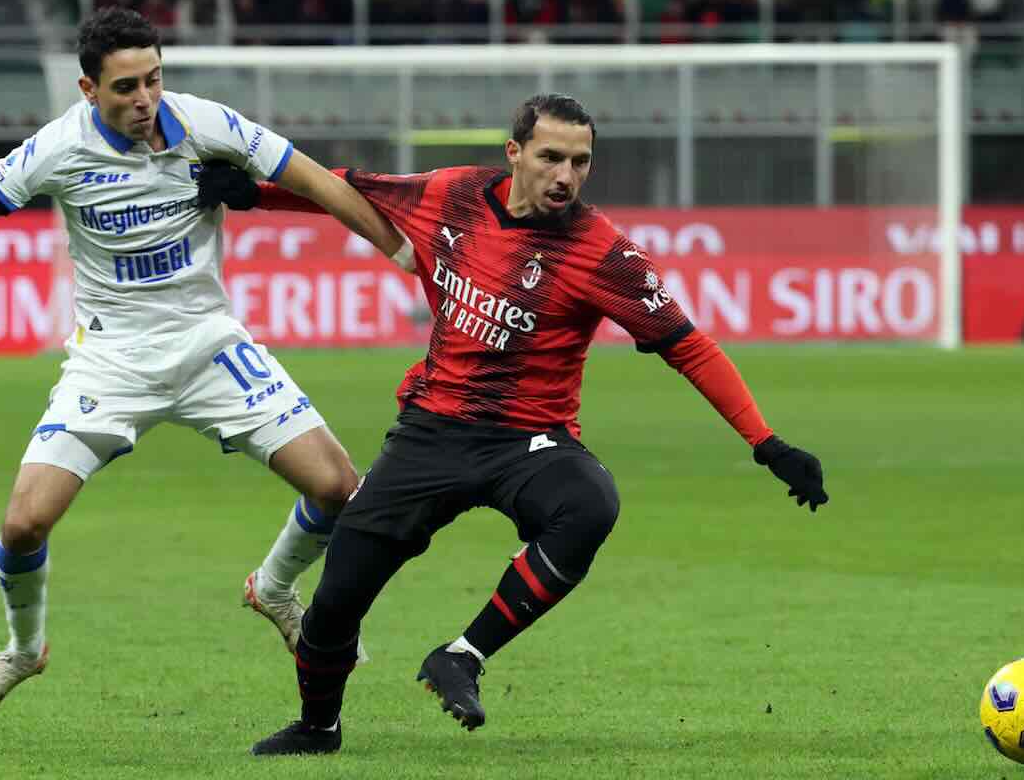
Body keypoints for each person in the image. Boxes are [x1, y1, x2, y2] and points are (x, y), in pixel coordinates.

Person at [195, 92, 830, 756]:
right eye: (551, 157)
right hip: (431, 432)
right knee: (334, 606)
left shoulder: (602, 253)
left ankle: (463, 657)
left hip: (529, 442)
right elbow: (351, 193)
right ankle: (318, 727)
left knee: (589, 504)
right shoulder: (455, 196)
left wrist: (766, 442)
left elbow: (687, 344)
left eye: (580, 162)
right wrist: (257, 195)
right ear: (515, 153)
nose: (566, 176)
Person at [0, 7, 408, 723]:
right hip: (110, 363)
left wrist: (404, 257)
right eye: (126, 87)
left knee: (340, 486)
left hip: (210, 346)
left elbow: (319, 183)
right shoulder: (57, 149)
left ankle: (274, 587)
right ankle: (24, 650)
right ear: (89, 90)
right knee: (24, 524)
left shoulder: (206, 122)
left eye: (153, 79)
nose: (145, 98)